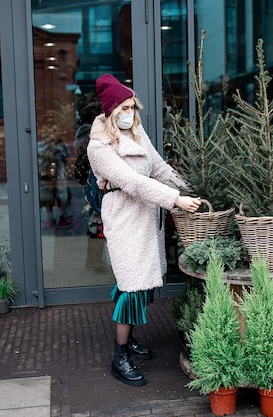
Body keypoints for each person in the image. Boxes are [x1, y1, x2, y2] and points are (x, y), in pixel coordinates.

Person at [87, 74, 201, 386]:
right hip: (124, 219)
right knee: (131, 286)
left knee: (142, 285)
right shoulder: (98, 147)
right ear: (111, 111)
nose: (130, 114)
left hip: (146, 217)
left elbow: (160, 168)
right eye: (124, 108)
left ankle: (130, 341)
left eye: (133, 107)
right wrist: (176, 199)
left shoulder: (137, 134)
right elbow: (133, 182)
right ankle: (119, 357)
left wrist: (192, 190)